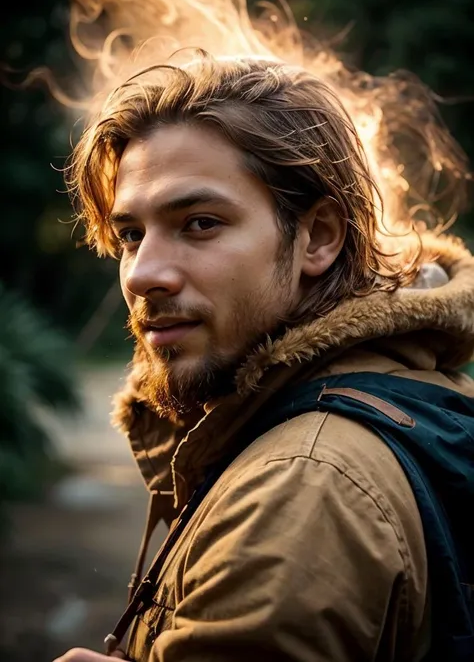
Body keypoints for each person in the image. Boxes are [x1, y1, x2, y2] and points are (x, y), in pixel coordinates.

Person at [55, 56, 474, 662]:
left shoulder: (304, 484)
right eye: (130, 235)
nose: (142, 273)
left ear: (319, 237)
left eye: (199, 223)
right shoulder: (405, 382)